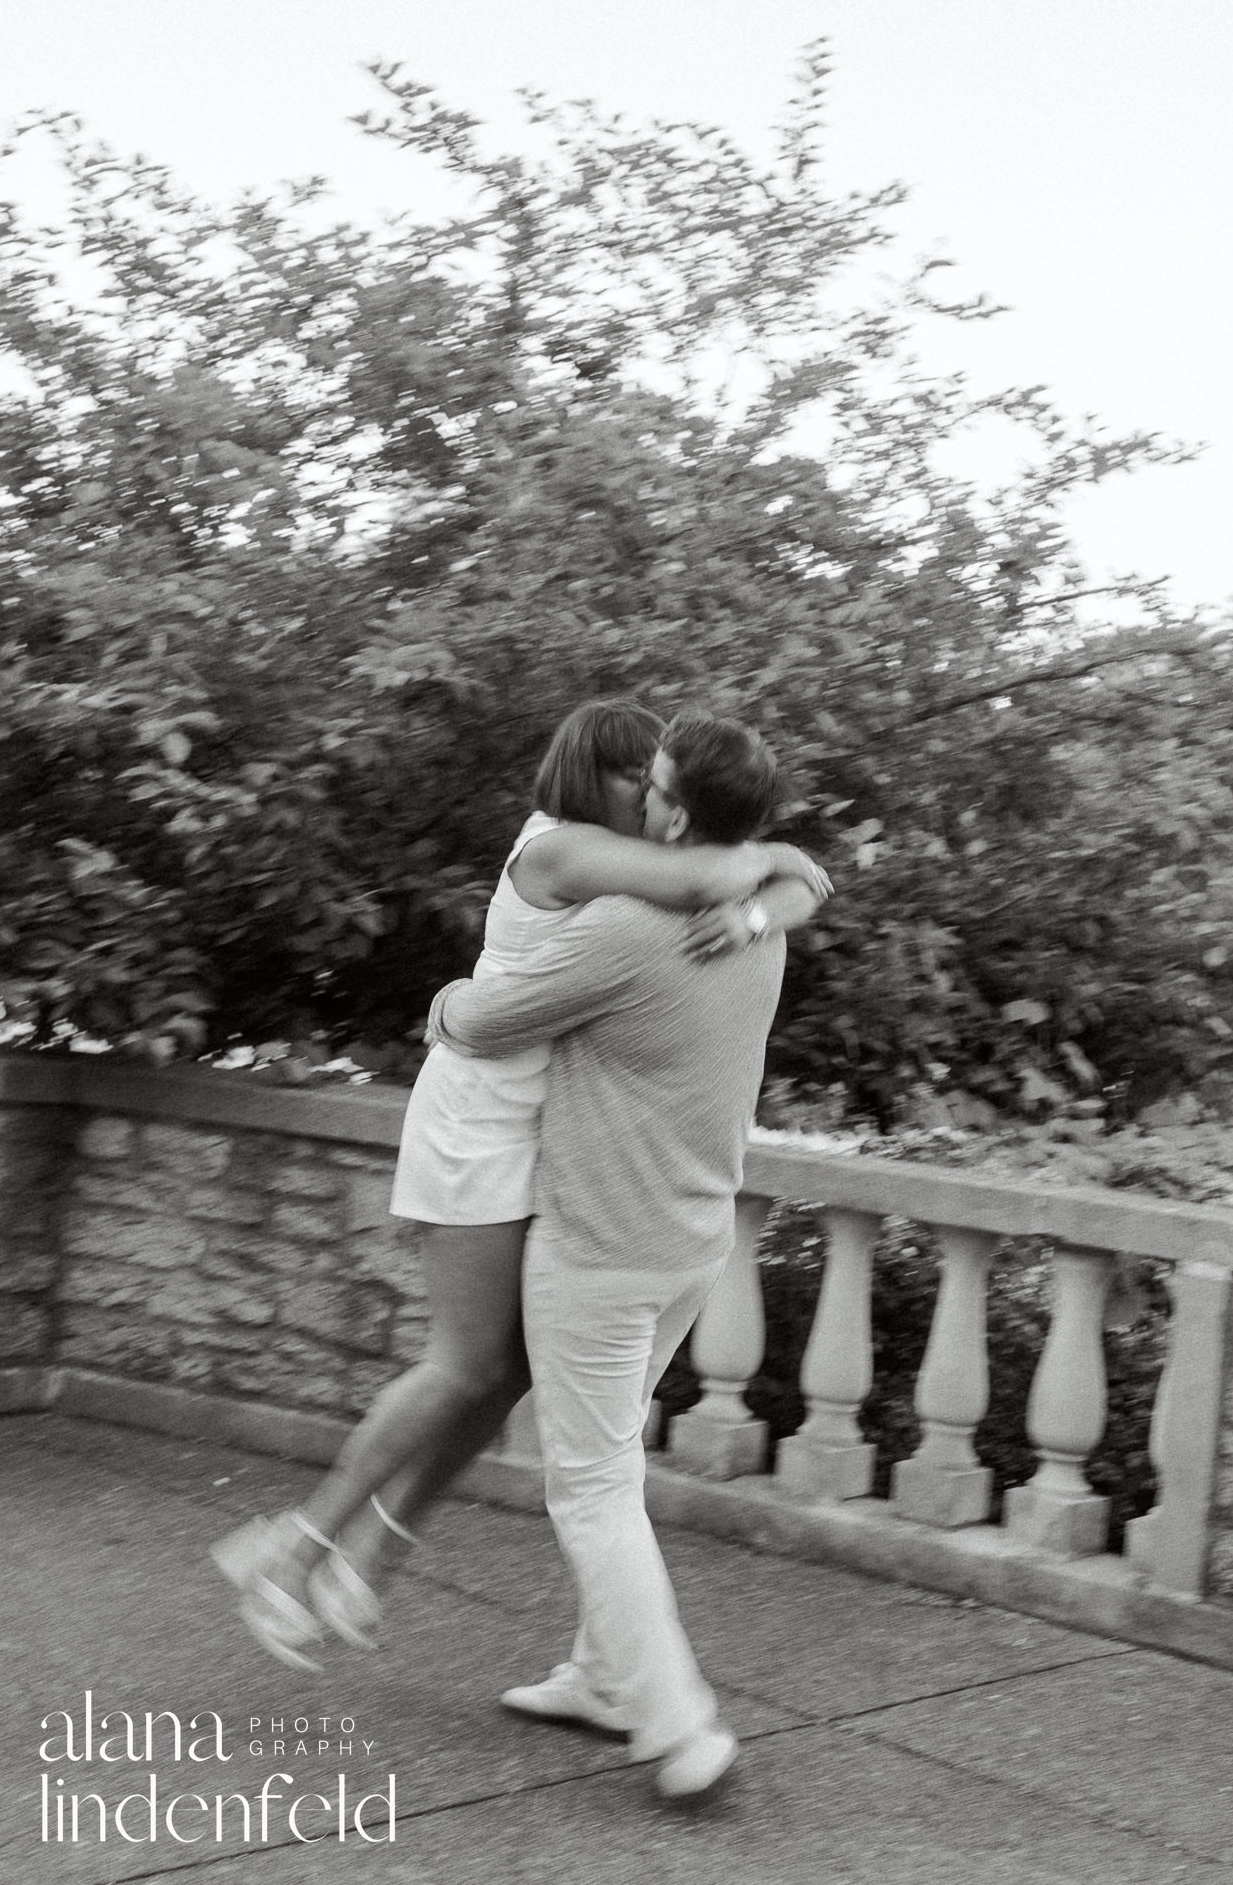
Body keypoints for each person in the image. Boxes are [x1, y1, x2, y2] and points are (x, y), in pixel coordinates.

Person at [212, 699, 827, 1670]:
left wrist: (756, 905)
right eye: (641, 779)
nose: (652, 800)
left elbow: (801, 874)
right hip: (477, 1120)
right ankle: (295, 1543)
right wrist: (746, 879)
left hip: (536, 1126)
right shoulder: (560, 850)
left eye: (662, 783)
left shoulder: (633, 873)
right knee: (463, 1363)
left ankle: (372, 1553)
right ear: (602, 779)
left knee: (508, 1374)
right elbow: (735, 861)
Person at [434, 710, 801, 1801]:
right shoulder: (757, 924)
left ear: (673, 810)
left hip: (599, 1249)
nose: (634, 792)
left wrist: (443, 998)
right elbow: (797, 878)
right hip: (693, 1243)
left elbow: (483, 1024)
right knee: (614, 1464)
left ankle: (681, 1729)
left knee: (589, 1488)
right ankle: (601, 1677)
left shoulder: (619, 929)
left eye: (650, 781)